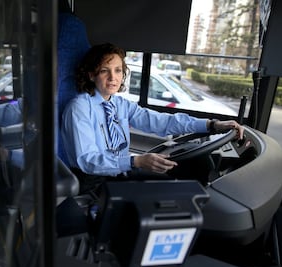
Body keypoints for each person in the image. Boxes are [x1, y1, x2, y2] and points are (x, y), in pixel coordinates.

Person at [61, 43, 244, 194]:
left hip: (121, 172)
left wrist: (211, 125)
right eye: (104, 71)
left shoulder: (120, 105)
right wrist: (136, 161)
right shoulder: (79, 108)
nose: (113, 77)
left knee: (189, 172)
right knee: (173, 191)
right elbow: (87, 160)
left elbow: (162, 121)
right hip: (94, 184)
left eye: (118, 70)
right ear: (92, 75)